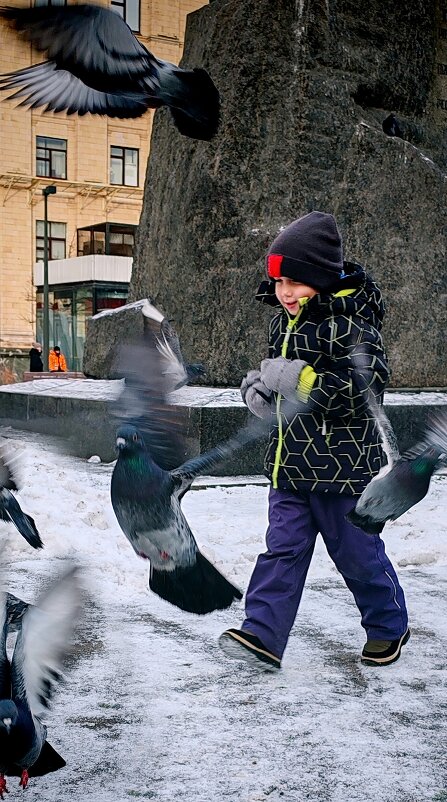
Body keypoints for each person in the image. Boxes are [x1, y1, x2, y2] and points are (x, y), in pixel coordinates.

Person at [219, 211, 409, 670]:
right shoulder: (281, 323)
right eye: (279, 281)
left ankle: (388, 625)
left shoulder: (354, 326)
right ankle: (262, 635)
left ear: (321, 278)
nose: (285, 292)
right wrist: (260, 393)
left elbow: (365, 390)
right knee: (281, 551)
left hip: (342, 471)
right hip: (288, 466)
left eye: (296, 281)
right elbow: (279, 379)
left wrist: (301, 382)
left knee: (357, 556)